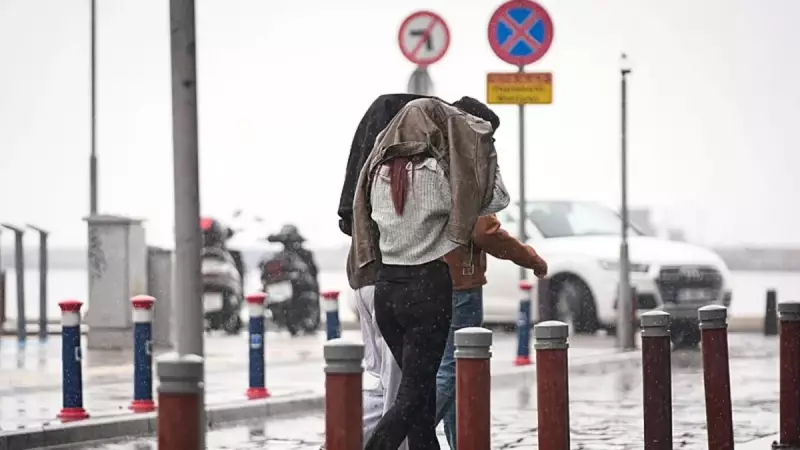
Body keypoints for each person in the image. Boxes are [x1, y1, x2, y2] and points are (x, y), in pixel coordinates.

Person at [352, 97, 511, 450]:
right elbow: (495, 199)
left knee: (421, 405)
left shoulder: (377, 172)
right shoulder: (439, 176)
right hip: (426, 290)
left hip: (387, 293)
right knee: (411, 399)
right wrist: (483, 149)